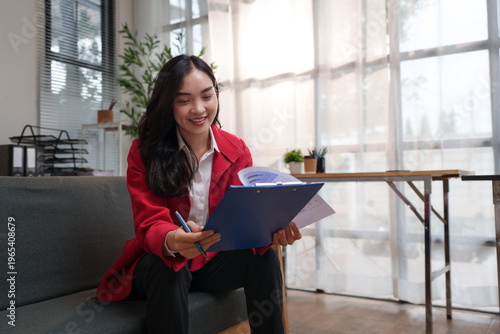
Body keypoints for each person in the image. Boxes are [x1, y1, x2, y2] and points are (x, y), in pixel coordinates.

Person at [97, 54, 302, 333]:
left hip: (212, 262)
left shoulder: (236, 148)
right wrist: (174, 239)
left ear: (216, 95)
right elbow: (148, 222)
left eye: (207, 96)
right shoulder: (145, 151)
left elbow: (243, 217)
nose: (198, 108)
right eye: (184, 100)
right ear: (168, 103)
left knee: (264, 259)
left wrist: (270, 231)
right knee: (170, 264)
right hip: (160, 263)